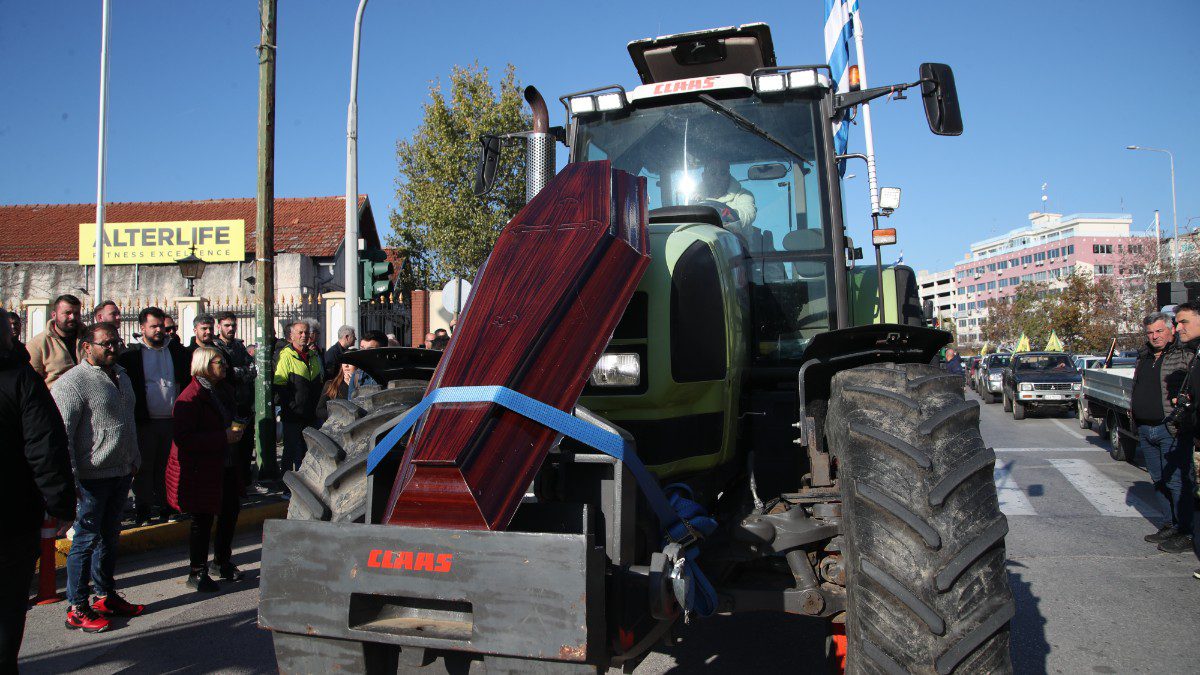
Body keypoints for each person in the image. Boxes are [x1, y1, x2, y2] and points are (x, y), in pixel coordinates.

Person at [52, 322, 146, 633]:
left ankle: (105, 595)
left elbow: (128, 421)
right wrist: (72, 477)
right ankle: (77, 606)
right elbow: (62, 435)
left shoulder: (121, 375)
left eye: (115, 342)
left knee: (109, 538)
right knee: (85, 541)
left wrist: (133, 457)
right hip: (90, 476)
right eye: (105, 343)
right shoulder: (72, 383)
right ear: (86, 347)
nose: (112, 347)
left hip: (120, 471)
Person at [0, 315, 75, 668]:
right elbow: (45, 448)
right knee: (8, 605)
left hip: (13, 510)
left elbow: (43, 445)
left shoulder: (21, 379)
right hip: (12, 515)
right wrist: (59, 503)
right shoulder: (21, 380)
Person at [167, 346, 247, 591]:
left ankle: (221, 561)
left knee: (229, 513)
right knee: (202, 520)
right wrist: (222, 437)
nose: (223, 366)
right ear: (203, 365)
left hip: (227, 462)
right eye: (217, 362)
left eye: (223, 361)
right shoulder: (190, 397)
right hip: (202, 468)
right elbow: (185, 438)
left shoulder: (223, 390)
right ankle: (197, 570)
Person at [118, 307, 191, 525]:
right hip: (145, 422)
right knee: (144, 466)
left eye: (161, 325)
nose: (159, 330)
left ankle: (167, 505)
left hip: (172, 421)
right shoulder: (131, 356)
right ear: (142, 328)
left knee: (168, 466)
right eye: (154, 326)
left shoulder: (177, 352)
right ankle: (143, 507)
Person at [1132, 311, 1194, 552]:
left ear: (1171, 331)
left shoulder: (1183, 355)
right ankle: (1169, 524)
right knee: (1158, 480)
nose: (1154, 336)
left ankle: (1185, 531)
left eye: (1159, 331)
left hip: (1171, 428)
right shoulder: (1144, 356)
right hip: (1146, 428)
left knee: (1177, 482)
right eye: (1150, 332)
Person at [273, 321, 323, 473]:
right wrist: (292, 406)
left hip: (311, 413)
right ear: (291, 336)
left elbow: (320, 381)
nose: (304, 336)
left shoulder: (314, 355)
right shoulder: (286, 355)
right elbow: (280, 385)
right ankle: (288, 486)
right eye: (300, 333)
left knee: (311, 450)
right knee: (291, 449)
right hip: (293, 414)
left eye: (306, 333)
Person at [214, 312, 257, 486]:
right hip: (226, 406)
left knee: (245, 447)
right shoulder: (216, 348)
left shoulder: (239, 347)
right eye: (227, 325)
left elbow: (253, 369)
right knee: (230, 449)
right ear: (219, 327)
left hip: (244, 405)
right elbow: (226, 374)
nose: (231, 329)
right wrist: (238, 372)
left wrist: (238, 372)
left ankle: (244, 483)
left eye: (233, 325)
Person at [28, 294, 83, 388]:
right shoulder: (37, 344)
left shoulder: (90, 338)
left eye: (76, 313)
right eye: (67, 313)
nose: (73, 317)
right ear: (54, 315)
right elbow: (32, 382)